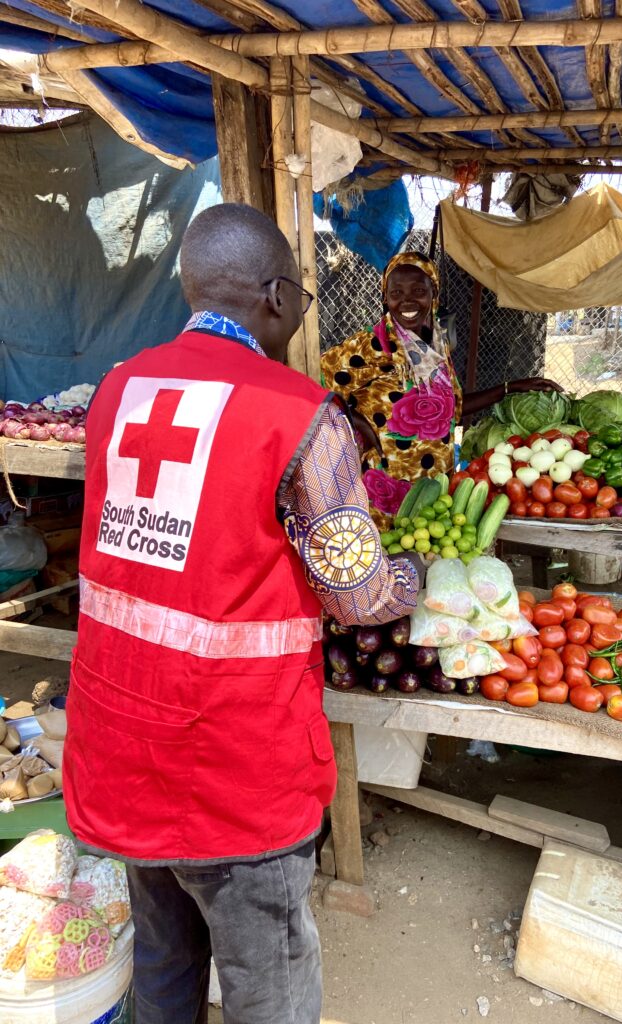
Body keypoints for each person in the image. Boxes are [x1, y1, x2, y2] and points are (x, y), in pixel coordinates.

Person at [63, 204, 424, 1024]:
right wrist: (415, 575)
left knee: (161, 970)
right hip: (237, 761)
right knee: (269, 987)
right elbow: (357, 595)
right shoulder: (303, 415)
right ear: (272, 295)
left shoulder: (120, 390)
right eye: (298, 295)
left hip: (119, 739)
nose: (299, 313)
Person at [321, 252, 560, 520]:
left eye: (419, 290)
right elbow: (315, 386)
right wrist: (356, 422)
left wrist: (509, 388)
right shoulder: (370, 345)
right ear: (385, 297)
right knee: (394, 556)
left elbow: (452, 411)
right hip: (389, 487)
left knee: (431, 555)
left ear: (433, 293)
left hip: (436, 483)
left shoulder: (436, 345)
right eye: (396, 291)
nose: (407, 300)